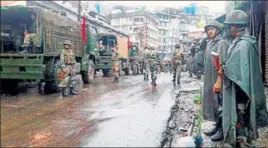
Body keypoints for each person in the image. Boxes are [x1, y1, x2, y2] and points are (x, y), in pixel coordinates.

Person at [221, 10, 268, 146]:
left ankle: (241, 139)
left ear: (235, 26)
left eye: (230, 26)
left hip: (241, 87)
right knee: (243, 111)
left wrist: (223, 68)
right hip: (244, 83)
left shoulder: (243, 44)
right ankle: (243, 137)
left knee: (240, 111)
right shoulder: (244, 42)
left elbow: (235, 68)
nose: (229, 28)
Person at [202, 19, 229, 141]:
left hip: (218, 78)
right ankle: (217, 126)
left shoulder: (221, 43)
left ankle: (222, 130)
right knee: (214, 103)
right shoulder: (209, 44)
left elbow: (223, 64)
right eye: (208, 30)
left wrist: (219, 80)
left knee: (220, 104)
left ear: (217, 30)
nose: (209, 32)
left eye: (212, 29)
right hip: (209, 77)